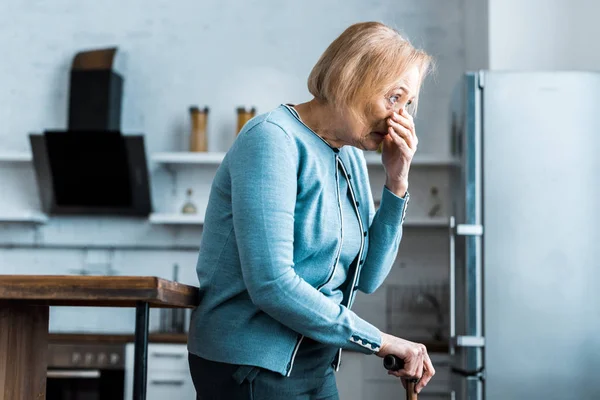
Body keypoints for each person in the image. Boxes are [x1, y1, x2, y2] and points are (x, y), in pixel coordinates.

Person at [187, 21, 435, 399]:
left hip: (314, 362)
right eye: (394, 98)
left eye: (408, 105)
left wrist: (396, 182)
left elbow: (366, 276)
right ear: (351, 78)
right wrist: (380, 341)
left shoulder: (349, 157)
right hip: (251, 363)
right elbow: (271, 284)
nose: (398, 119)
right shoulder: (272, 139)